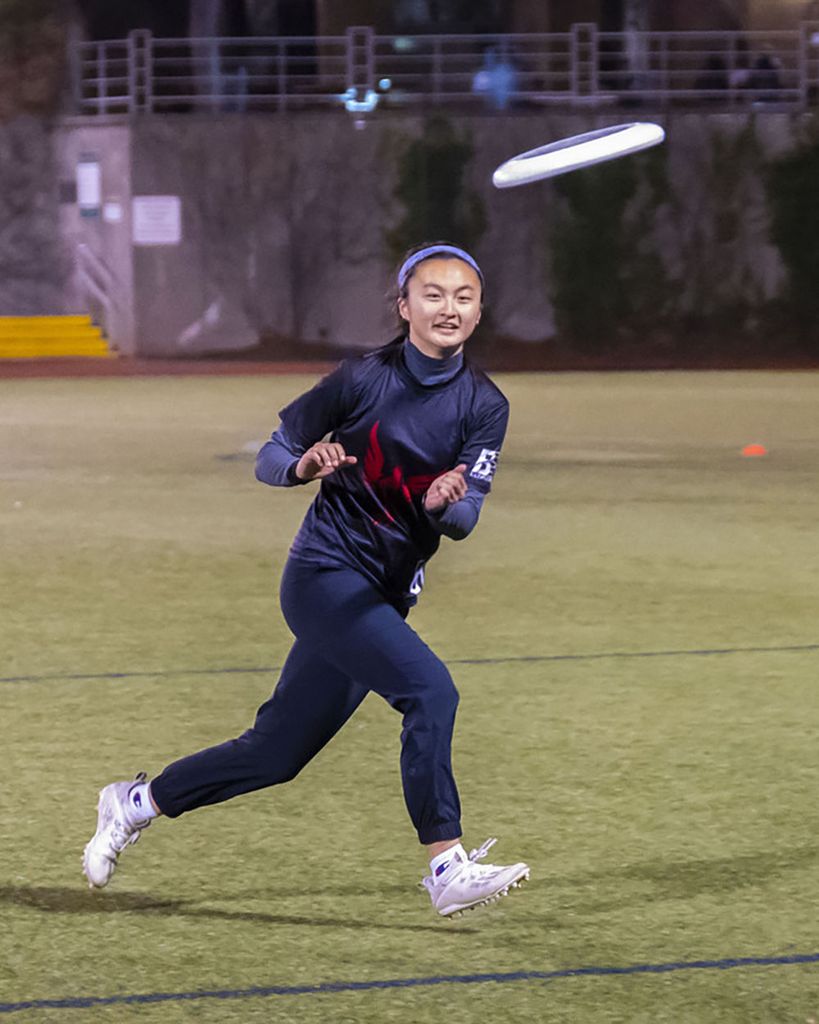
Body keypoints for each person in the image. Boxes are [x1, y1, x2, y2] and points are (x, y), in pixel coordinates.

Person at [82, 242, 530, 918]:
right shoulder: (358, 381)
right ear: (403, 305)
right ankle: (445, 866)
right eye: (433, 294)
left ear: (478, 309)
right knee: (429, 691)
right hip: (322, 576)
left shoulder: (483, 404)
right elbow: (270, 454)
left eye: (463, 296)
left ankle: (135, 803)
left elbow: (464, 515)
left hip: (382, 596)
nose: (449, 307)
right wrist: (299, 468)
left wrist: (445, 507)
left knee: (276, 753)